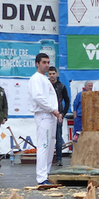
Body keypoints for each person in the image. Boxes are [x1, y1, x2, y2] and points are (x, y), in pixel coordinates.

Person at [28, 53, 62, 185]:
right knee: (44, 146)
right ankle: (41, 178)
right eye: (44, 62)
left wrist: (56, 112)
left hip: (51, 115)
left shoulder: (45, 79)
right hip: (44, 115)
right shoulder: (36, 78)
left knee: (50, 146)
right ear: (37, 63)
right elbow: (38, 97)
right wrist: (53, 110)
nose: (47, 65)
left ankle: (45, 174)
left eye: (48, 62)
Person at [48, 67, 70, 166]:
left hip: (58, 116)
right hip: (47, 115)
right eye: (50, 73)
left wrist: (62, 114)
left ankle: (59, 159)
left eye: (53, 73)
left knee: (58, 138)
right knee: (47, 138)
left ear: (56, 74)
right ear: (47, 74)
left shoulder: (61, 86)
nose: (52, 75)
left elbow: (67, 101)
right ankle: (48, 158)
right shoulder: (45, 85)